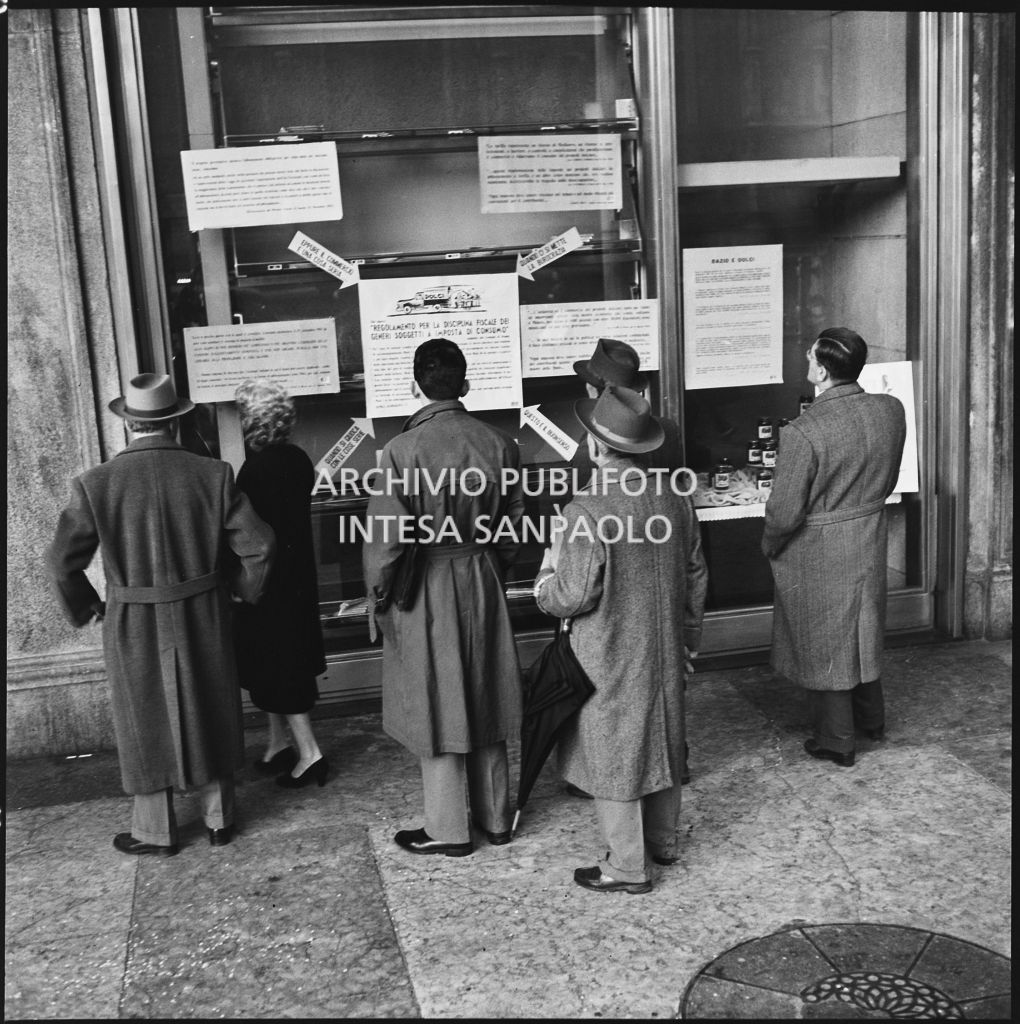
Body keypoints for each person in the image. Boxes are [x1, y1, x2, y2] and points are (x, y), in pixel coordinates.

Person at [46, 372, 275, 856]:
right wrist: (239, 591)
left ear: (129, 423)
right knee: (209, 705)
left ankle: (156, 831)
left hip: (134, 618)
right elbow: (260, 546)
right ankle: (220, 819)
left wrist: (90, 606)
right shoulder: (213, 475)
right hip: (204, 611)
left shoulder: (96, 484)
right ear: (176, 420)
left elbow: (60, 561)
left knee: (143, 716)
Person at [534, 386, 708, 894]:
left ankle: (627, 866)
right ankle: (664, 842)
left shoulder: (586, 509)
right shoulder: (675, 498)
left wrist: (543, 586)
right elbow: (696, 575)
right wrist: (689, 640)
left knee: (614, 749)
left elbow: (571, 595)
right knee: (662, 734)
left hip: (607, 651)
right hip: (664, 645)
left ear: (594, 445)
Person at [363, 338, 524, 857]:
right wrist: (489, 568)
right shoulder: (501, 443)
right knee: (487, 689)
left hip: (426, 582)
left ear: (415, 385)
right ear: (466, 383)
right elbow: (516, 528)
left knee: (437, 696)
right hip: (481, 574)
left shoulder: (401, 451)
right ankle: (498, 818)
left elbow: (386, 543)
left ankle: (449, 828)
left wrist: (379, 599)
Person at [761, 327, 907, 767]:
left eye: (810, 358)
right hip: (868, 531)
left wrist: (770, 544)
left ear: (821, 371)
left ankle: (837, 739)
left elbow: (784, 513)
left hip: (818, 545)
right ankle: (871, 720)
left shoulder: (804, 431)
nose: (807, 363)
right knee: (862, 626)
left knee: (823, 640)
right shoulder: (890, 410)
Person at [569, 337, 693, 790]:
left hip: (607, 571)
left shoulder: (595, 438)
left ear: (600, 389)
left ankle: (603, 775)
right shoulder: (667, 430)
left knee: (611, 697)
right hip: (660, 570)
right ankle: (670, 763)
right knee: (661, 690)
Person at [233, 380, 328, 788]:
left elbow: (252, 537)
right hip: (298, 578)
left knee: (278, 667)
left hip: (267, 582)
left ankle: (310, 754)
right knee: (279, 665)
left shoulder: (255, 470)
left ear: (251, 422)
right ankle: (277, 745)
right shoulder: (297, 459)